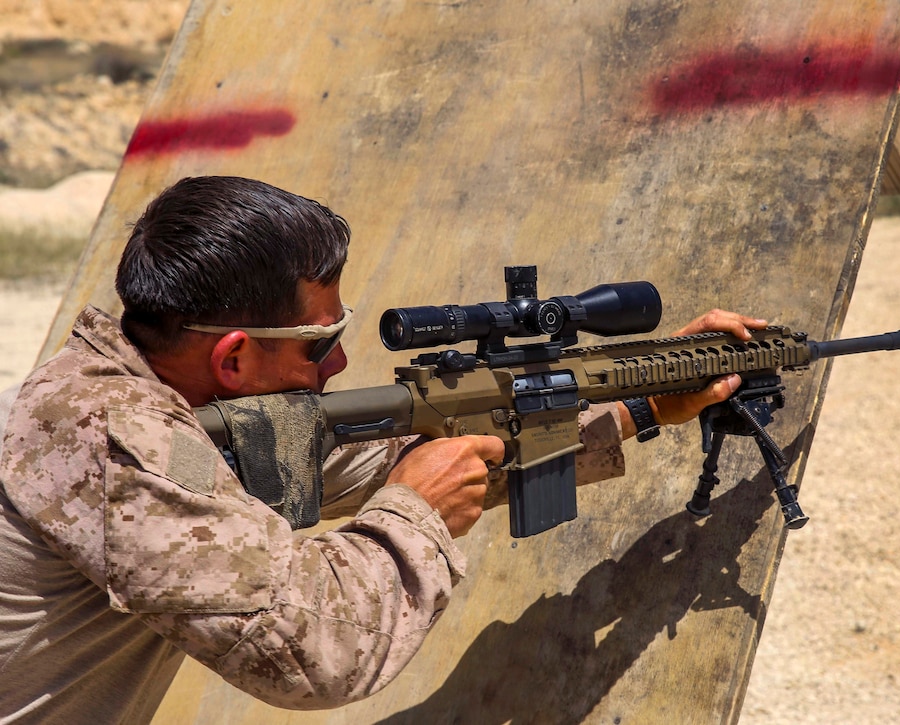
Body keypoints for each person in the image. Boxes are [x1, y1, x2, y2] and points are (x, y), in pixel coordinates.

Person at [0, 176, 765, 722]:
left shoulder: (161, 402)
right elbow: (313, 650)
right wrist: (414, 511)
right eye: (320, 344)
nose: (336, 366)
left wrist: (637, 398)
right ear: (232, 359)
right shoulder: (119, 442)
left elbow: (402, 452)